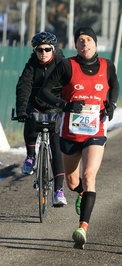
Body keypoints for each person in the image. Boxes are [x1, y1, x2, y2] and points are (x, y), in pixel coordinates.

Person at [38, 27, 119, 249]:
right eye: (81, 41)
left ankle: (82, 227)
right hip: (70, 133)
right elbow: (44, 92)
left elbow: (114, 85)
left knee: (89, 174)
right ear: (76, 45)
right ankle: (82, 194)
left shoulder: (106, 65)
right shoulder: (66, 66)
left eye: (89, 40)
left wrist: (111, 104)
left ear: (95, 43)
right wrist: (65, 105)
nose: (85, 44)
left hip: (95, 131)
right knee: (73, 181)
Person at [15, 31, 67, 207]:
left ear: (53, 49)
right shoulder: (31, 66)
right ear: (35, 51)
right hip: (35, 104)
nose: (43, 53)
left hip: (55, 107)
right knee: (30, 118)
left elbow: (70, 85)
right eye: (39, 50)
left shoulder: (62, 64)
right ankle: (30, 156)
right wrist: (22, 110)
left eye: (46, 49)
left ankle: (59, 191)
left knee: (56, 146)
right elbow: (23, 88)